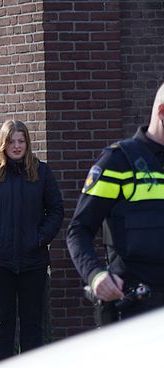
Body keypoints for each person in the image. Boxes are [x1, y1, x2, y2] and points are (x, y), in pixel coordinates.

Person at [67, 82, 164, 325]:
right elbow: (79, 230)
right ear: (162, 113)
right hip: (135, 310)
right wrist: (95, 275)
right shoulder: (118, 162)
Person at [0, 119, 64, 362]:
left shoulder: (41, 172)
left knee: (32, 322)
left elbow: (55, 210)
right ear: (3, 143)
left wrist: (39, 238)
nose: (17, 146)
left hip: (34, 259)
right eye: (12, 141)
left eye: (21, 141)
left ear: (27, 143)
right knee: (2, 321)